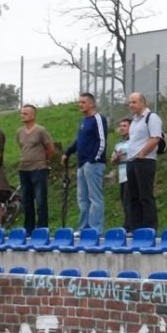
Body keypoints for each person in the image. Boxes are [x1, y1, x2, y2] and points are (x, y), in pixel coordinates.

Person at [63, 92, 107, 234]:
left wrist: (94, 159)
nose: (80, 105)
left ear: (91, 104)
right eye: (79, 102)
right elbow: (80, 140)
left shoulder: (98, 119)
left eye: (83, 102)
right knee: (82, 198)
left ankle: (96, 228)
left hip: (93, 163)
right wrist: (68, 152)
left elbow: (102, 140)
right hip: (81, 164)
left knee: (95, 197)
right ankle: (84, 228)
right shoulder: (84, 121)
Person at [125, 92, 163, 230]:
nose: (131, 105)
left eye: (134, 102)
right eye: (130, 102)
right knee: (133, 196)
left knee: (145, 195)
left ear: (142, 102)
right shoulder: (134, 121)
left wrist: (142, 153)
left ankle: (149, 226)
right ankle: (136, 226)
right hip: (131, 161)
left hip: (145, 161)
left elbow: (155, 138)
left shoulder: (151, 117)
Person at [15, 104, 55, 234]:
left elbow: (50, 148)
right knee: (27, 200)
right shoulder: (19, 132)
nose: (22, 115)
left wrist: (45, 161)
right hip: (24, 169)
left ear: (33, 115)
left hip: (38, 169)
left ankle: (42, 227)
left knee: (40, 199)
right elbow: (21, 147)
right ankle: (29, 228)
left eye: (25, 113)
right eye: (21, 113)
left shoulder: (40, 131)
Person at [110, 117, 132, 229]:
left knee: (129, 201)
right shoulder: (118, 144)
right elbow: (112, 161)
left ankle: (130, 226)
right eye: (120, 126)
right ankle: (128, 225)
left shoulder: (134, 141)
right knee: (124, 200)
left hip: (131, 175)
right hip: (122, 176)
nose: (122, 128)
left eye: (124, 126)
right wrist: (117, 158)